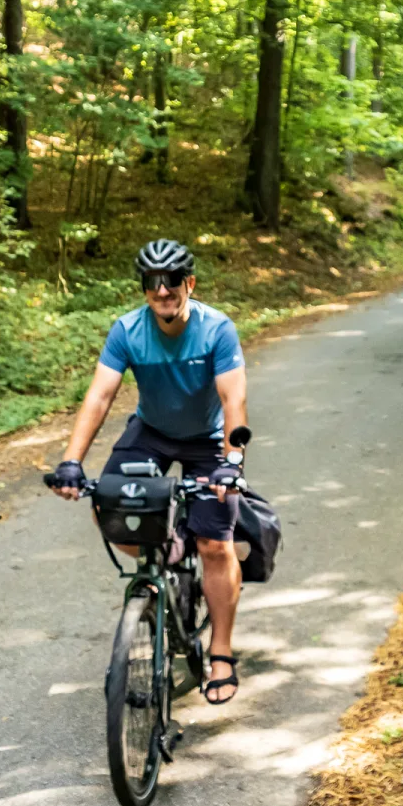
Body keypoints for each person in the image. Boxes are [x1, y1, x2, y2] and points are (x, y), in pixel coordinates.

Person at [49, 239, 248, 705]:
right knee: (108, 507)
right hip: (153, 432)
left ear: (189, 284)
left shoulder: (216, 329)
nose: (163, 291)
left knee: (215, 543)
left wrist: (231, 464)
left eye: (172, 281)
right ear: (144, 289)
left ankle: (220, 653)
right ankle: (169, 552)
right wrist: (72, 462)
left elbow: (232, 401)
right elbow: (100, 396)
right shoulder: (127, 331)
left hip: (208, 439)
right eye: (152, 283)